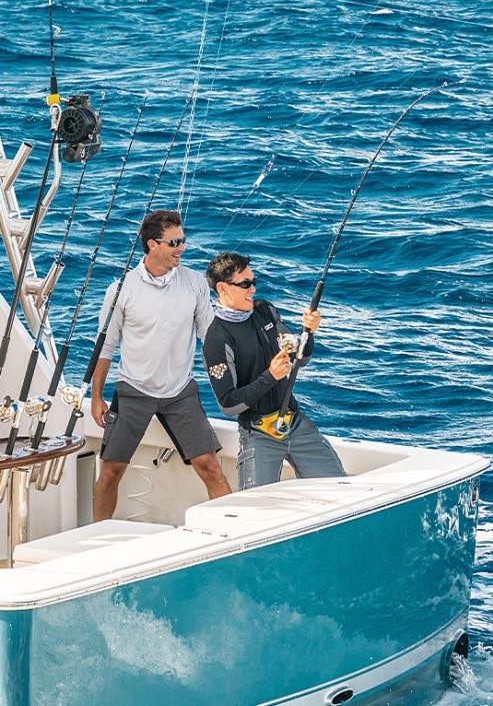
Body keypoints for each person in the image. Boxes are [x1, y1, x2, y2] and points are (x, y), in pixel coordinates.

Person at [91, 210, 232, 521]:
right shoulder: (120, 289)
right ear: (152, 244)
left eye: (182, 240)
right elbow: (107, 345)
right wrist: (97, 396)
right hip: (133, 390)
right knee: (112, 471)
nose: (182, 247)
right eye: (174, 242)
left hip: (180, 392)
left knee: (210, 467)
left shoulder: (194, 282)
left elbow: (211, 339)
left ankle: (233, 535)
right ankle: (97, 535)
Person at [202, 252, 345, 488]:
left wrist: (308, 332)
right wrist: (270, 377)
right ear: (223, 288)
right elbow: (228, 404)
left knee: (339, 491)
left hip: (295, 422)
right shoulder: (216, 340)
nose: (253, 289)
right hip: (257, 433)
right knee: (256, 508)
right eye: (245, 284)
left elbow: (300, 356)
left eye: (253, 282)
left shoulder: (265, 310)